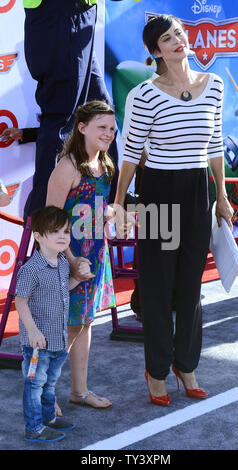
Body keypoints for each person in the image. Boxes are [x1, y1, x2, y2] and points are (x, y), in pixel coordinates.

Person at [114, 14, 234, 406]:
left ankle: (187, 364)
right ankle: (158, 369)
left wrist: (222, 196)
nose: (179, 41)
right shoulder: (144, 94)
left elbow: (215, 144)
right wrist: (118, 203)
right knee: (157, 284)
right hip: (157, 192)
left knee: (191, 287)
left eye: (179, 33)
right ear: (155, 52)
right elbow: (131, 154)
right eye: (168, 38)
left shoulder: (214, 85)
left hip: (198, 189)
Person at [46, 100, 116, 412]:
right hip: (67, 259)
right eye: (102, 127)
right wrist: (73, 262)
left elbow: (98, 211)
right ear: (82, 127)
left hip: (95, 257)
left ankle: (79, 390)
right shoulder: (67, 168)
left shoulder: (107, 167)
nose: (109, 133)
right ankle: (45, 393)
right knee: (62, 326)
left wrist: (111, 213)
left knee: (85, 322)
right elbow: (51, 221)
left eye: (113, 128)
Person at [22, 0, 118, 217]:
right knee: (61, 121)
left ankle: (108, 196)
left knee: (103, 115)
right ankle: (45, 213)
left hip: (81, 18)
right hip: (59, 17)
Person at [15, 206, 92, 442]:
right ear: (37, 236)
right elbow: (21, 302)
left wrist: (77, 279)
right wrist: (32, 331)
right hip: (37, 343)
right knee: (35, 385)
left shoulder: (60, 261)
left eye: (66, 232)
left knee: (49, 383)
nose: (63, 237)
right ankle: (34, 428)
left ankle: (49, 419)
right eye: (55, 231)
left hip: (57, 339)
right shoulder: (30, 270)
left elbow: (62, 290)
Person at [122, 57, 167, 321]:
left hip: (183, 179)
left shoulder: (192, 89)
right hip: (152, 177)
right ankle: (143, 304)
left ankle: (169, 299)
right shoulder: (139, 93)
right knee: (153, 242)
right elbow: (131, 140)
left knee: (174, 244)